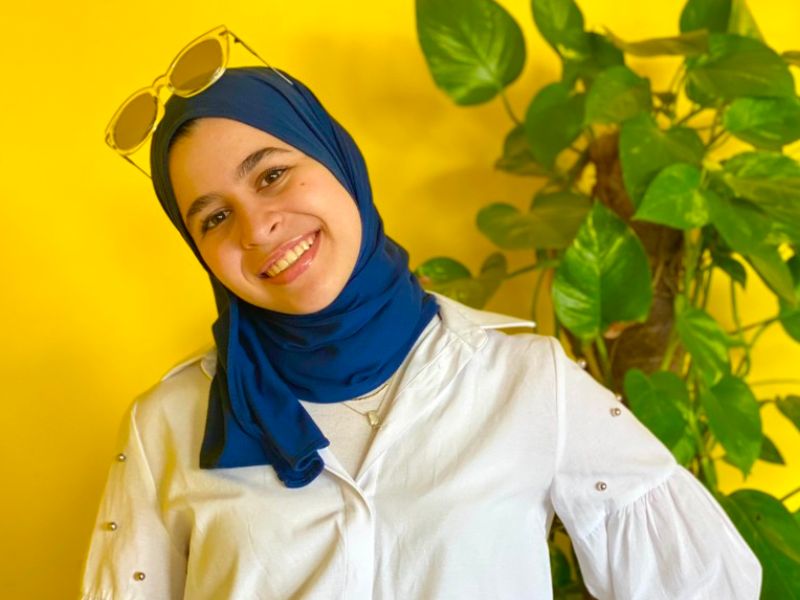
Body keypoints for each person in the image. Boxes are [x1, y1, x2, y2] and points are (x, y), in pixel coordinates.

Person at [80, 63, 763, 599]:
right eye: (213, 218)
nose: (258, 227)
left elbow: (706, 582)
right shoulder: (166, 426)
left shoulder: (524, 379)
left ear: (338, 162)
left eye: (273, 174)